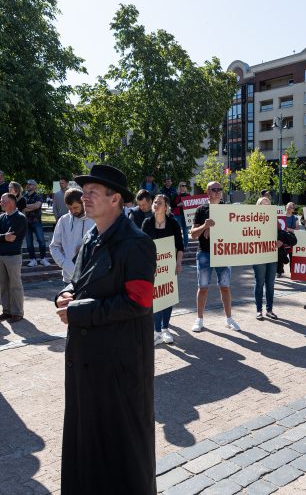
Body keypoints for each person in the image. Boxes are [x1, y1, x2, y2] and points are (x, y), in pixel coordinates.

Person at [54, 164, 156, 494]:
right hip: (88, 363)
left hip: (119, 367)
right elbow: (77, 280)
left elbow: (138, 302)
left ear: (115, 199)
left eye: (93, 191)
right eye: (84, 191)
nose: (85, 196)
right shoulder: (91, 237)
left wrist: (79, 311)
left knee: (121, 449)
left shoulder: (136, 243)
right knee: (87, 441)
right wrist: (66, 292)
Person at [190, 181, 240, 332]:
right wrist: (205, 226)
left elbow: (235, 230)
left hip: (223, 253)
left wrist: (216, 229)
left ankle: (229, 319)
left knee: (225, 287)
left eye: (220, 189)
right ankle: (199, 319)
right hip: (205, 253)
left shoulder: (227, 209)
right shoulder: (200, 210)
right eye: (214, 189)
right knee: (203, 287)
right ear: (207, 191)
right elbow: (193, 234)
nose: (218, 192)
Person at [142, 194, 184, 345]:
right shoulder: (147, 223)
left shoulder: (173, 223)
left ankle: (165, 329)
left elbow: (180, 246)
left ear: (166, 207)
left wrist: (178, 263)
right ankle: (157, 332)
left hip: (169, 266)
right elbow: (143, 246)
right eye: (154, 202)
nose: (156, 204)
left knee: (167, 297)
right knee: (155, 298)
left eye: (159, 202)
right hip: (153, 268)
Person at [49, 188, 95, 284]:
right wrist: (66, 264)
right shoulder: (63, 220)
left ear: (83, 202)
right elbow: (54, 247)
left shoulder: (95, 219)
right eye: (69, 208)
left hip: (91, 278)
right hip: (68, 278)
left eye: (75, 207)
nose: (73, 211)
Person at [0, 193, 27, 323]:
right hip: (1, 256)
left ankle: (17, 313)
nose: (0, 203)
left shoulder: (20, 218)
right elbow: (6, 237)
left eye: (2, 201)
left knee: (15, 285)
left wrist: (4, 237)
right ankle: (6, 311)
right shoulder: (1, 217)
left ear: (11, 202)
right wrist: (3, 237)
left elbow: (11, 238)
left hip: (13, 256)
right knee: (3, 285)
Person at [253, 197, 281, 320]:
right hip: (258, 255)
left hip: (271, 255)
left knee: (270, 283)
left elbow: (281, 234)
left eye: (268, 203)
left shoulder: (275, 220)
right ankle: (259, 310)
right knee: (259, 283)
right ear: (257, 206)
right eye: (263, 204)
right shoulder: (251, 220)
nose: (266, 205)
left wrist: (280, 241)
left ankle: (269, 310)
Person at [24, 179, 51, 267]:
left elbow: (37, 206)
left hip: (37, 222)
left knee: (41, 241)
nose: (28, 185)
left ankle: (43, 258)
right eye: (28, 184)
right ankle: (33, 259)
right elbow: (21, 208)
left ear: (35, 186)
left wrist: (27, 207)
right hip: (26, 223)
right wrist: (32, 207)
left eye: (30, 184)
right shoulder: (24, 196)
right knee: (29, 242)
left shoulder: (38, 196)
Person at [277, 202, 299, 277]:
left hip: (290, 238)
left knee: (292, 256)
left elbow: (296, 229)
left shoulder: (295, 218)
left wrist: (287, 229)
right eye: (288, 206)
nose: (289, 208)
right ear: (285, 206)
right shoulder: (280, 216)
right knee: (280, 255)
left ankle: (292, 272)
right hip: (281, 238)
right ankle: (279, 271)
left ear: (293, 210)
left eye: (291, 207)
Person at [171, 182, 190, 249]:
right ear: (179, 187)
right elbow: (171, 205)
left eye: (185, 185)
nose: (184, 187)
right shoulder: (175, 195)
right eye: (182, 185)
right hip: (177, 215)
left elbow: (191, 205)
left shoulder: (188, 195)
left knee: (185, 231)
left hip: (186, 215)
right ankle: (178, 247)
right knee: (177, 231)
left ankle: (186, 246)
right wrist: (178, 205)